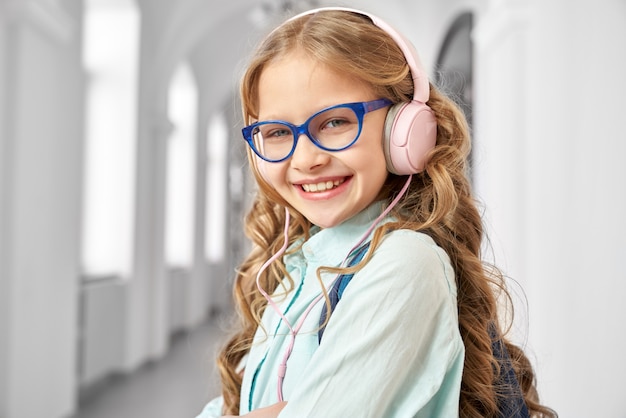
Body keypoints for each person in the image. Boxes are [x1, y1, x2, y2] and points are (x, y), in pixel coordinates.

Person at [196, 7, 556, 418]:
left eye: (334, 122)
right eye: (278, 133)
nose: (306, 158)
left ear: (404, 130)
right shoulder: (297, 262)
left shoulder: (404, 263)